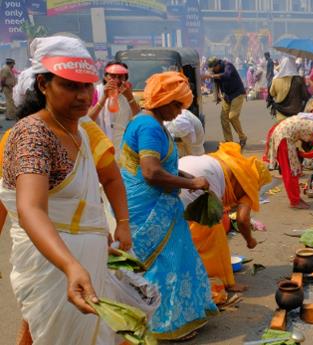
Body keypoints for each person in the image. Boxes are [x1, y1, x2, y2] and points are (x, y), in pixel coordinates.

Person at [2, 36, 132, 345]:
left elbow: (107, 182)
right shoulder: (33, 134)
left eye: (87, 85)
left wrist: (110, 232)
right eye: (71, 86)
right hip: (53, 266)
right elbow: (30, 208)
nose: (83, 95)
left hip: (88, 260)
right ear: (43, 84)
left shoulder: (83, 129)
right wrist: (71, 264)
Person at [120, 71, 216, 340]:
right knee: (165, 265)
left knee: (175, 259)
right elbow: (151, 173)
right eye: (176, 105)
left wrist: (190, 178)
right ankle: (165, 326)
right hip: (150, 208)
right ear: (162, 99)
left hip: (156, 204)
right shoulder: (149, 127)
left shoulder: (148, 120)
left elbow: (164, 167)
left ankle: (175, 317)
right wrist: (192, 184)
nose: (179, 111)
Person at [179, 143, 271, 295]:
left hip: (180, 171)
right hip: (197, 182)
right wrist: (250, 240)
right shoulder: (249, 182)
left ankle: (186, 271)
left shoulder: (234, 161)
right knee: (213, 237)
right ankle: (221, 283)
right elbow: (242, 220)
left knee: (186, 232)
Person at [264, 113, 313, 209]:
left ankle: (296, 198)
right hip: (284, 138)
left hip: (284, 135)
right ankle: (294, 202)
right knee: (290, 172)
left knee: (296, 169)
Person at [88, 61, 140, 156]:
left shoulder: (129, 94)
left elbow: (139, 120)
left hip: (124, 147)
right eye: (113, 76)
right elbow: (88, 119)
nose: (116, 80)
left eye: (120, 77)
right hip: (101, 145)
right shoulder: (97, 92)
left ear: (125, 78)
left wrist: (130, 98)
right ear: (105, 77)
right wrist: (104, 97)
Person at [206, 57, 248, 149]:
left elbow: (226, 75)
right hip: (227, 96)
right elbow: (217, 83)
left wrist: (212, 76)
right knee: (223, 118)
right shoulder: (215, 72)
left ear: (217, 65)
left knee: (232, 116)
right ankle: (229, 141)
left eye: (214, 68)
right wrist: (217, 96)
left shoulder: (228, 66)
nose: (213, 70)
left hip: (237, 94)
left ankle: (242, 137)